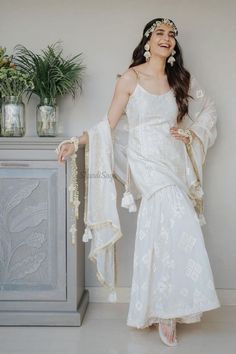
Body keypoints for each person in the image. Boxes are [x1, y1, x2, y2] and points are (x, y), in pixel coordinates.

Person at [57, 18, 221, 347]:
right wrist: (76, 142)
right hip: (145, 163)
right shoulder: (130, 78)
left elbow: (210, 110)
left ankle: (159, 309)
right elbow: (109, 124)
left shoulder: (181, 79)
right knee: (175, 218)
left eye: (172, 35)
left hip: (173, 160)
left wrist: (190, 133)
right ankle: (164, 312)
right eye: (160, 33)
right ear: (147, 40)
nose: (168, 38)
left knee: (163, 227)